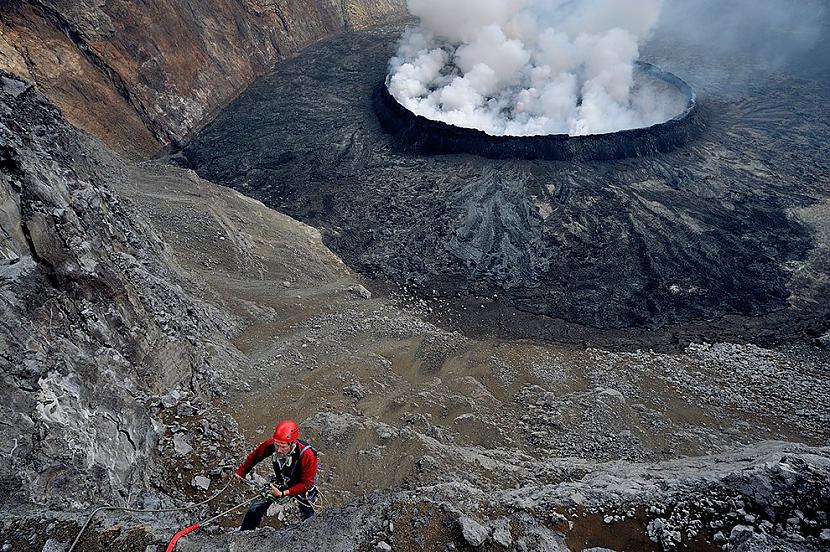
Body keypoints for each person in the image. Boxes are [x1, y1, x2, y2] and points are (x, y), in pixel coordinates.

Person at [234, 419, 319, 529]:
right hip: (283, 479)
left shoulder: (308, 455)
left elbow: (306, 483)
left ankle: (312, 529)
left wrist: (282, 494)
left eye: (283, 446)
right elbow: (255, 456)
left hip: (302, 483)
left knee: (306, 507)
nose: (278, 450)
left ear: (293, 443)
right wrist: (241, 471)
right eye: (277, 445)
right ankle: (245, 533)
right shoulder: (272, 445)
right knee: (255, 507)